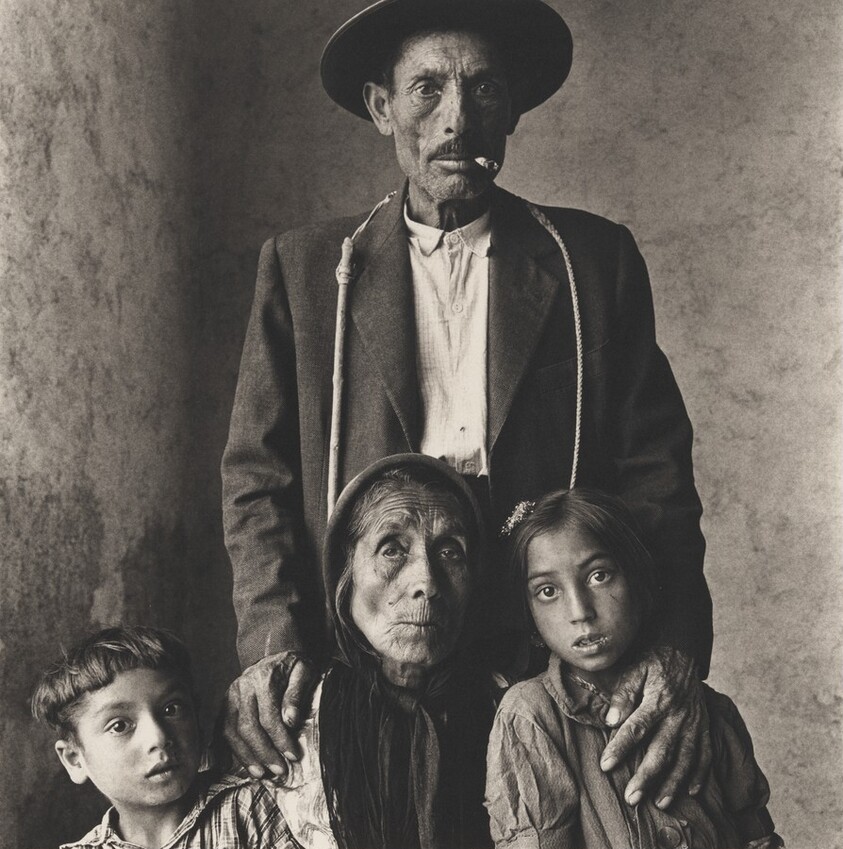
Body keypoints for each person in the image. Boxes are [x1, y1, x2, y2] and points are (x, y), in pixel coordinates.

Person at [221, 0, 712, 807]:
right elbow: (257, 480)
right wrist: (272, 642)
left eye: (482, 89)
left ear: (511, 106)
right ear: (382, 106)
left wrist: (672, 646)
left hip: (540, 629)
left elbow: (656, 474)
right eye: (427, 89)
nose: (456, 118)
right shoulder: (308, 269)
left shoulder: (590, 262)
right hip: (376, 630)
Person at [485, 488, 783, 849]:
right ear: (528, 612)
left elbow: (757, 834)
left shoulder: (707, 710)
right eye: (548, 591)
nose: (580, 611)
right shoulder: (530, 716)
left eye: (599, 576)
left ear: (639, 581)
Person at [269, 453, 498, 849]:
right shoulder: (295, 723)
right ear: (346, 575)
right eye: (392, 549)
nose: (427, 582)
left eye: (450, 551)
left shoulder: (508, 709)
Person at [30, 626, 296, 849]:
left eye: (172, 709)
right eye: (120, 726)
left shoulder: (247, 810)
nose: (158, 736)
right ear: (75, 759)